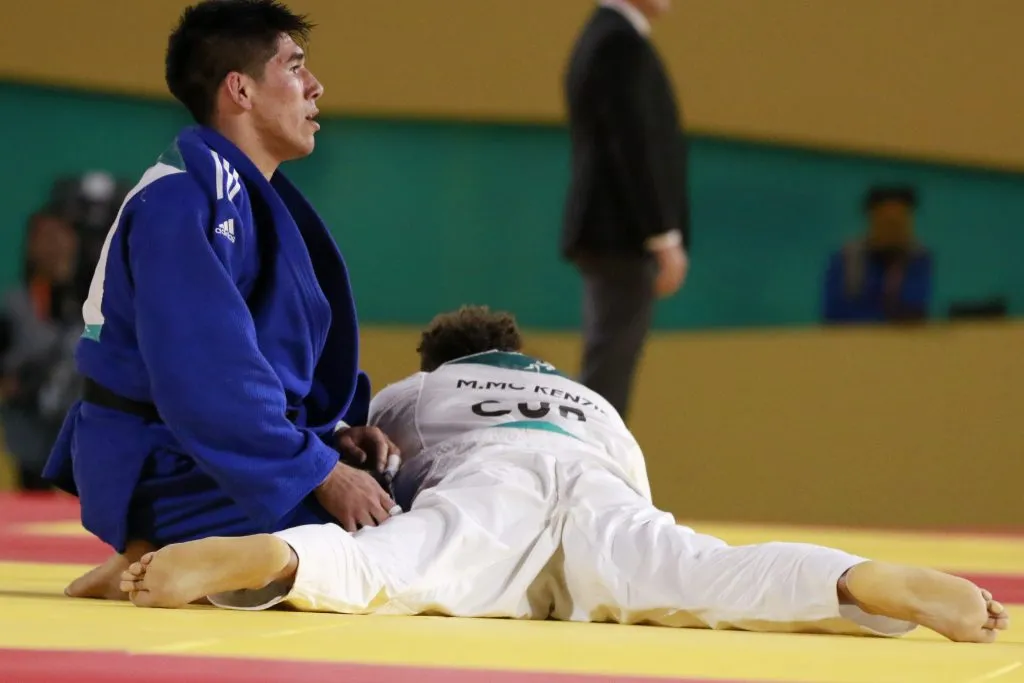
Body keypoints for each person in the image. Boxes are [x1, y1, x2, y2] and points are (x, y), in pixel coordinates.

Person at [120, 306, 1008, 644]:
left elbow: (351, 459)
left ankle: (264, 558)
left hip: (490, 482)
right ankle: (861, 578)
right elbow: (639, 495)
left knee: (397, 560)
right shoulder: (591, 401)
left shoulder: (424, 388)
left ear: (444, 357)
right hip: (601, 485)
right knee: (707, 571)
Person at [42, 0, 397, 601]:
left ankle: (150, 556)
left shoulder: (237, 197)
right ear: (241, 89)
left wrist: (331, 434)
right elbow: (206, 376)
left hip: (192, 452)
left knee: (396, 493)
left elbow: (262, 363)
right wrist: (318, 471)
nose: (315, 87)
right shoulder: (180, 202)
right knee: (385, 543)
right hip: (164, 462)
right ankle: (158, 553)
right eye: (294, 67)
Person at [562, 0, 690, 420]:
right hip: (620, 234)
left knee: (610, 365)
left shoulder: (611, 36)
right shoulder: (618, 42)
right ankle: (593, 473)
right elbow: (633, 144)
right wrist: (662, 234)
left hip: (615, 232)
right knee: (607, 375)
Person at [0, 212, 83, 490]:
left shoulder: (87, 307)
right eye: (48, 239)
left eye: (64, 238)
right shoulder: (13, 308)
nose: (57, 247)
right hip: (22, 448)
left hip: (75, 447)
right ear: (32, 246)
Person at [823, 185, 933, 324]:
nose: (895, 231)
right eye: (888, 223)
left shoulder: (918, 257)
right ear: (872, 221)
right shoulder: (846, 259)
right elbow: (833, 314)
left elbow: (915, 309)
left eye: (901, 223)